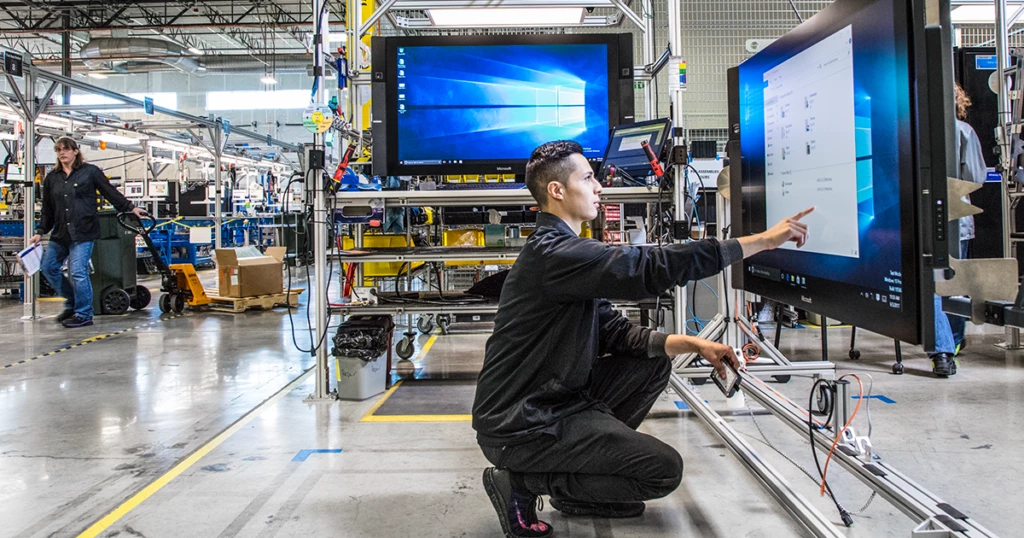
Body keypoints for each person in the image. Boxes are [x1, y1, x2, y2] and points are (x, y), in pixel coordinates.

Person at [472, 140, 813, 538]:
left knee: (653, 360)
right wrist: (760, 242)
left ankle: (579, 487)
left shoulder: (565, 254)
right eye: (588, 178)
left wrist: (694, 344)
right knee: (662, 471)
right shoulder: (556, 253)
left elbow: (615, 331)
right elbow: (649, 266)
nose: (599, 187)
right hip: (521, 426)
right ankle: (523, 482)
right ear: (557, 191)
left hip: (556, 402)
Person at [29, 136, 146, 328]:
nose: (62, 153)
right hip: (60, 233)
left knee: (78, 272)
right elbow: (47, 209)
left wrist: (130, 208)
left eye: (66, 149)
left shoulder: (90, 172)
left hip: (84, 232)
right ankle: (73, 302)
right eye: (58, 150)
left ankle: (84, 314)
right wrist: (40, 231)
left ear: (75, 151)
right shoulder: (52, 178)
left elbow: (109, 192)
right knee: (49, 267)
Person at [930, 84, 987, 377]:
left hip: (925, 217)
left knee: (934, 285)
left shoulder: (916, 131)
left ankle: (942, 350)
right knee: (953, 284)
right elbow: (975, 176)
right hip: (958, 218)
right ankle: (950, 343)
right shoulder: (963, 131)